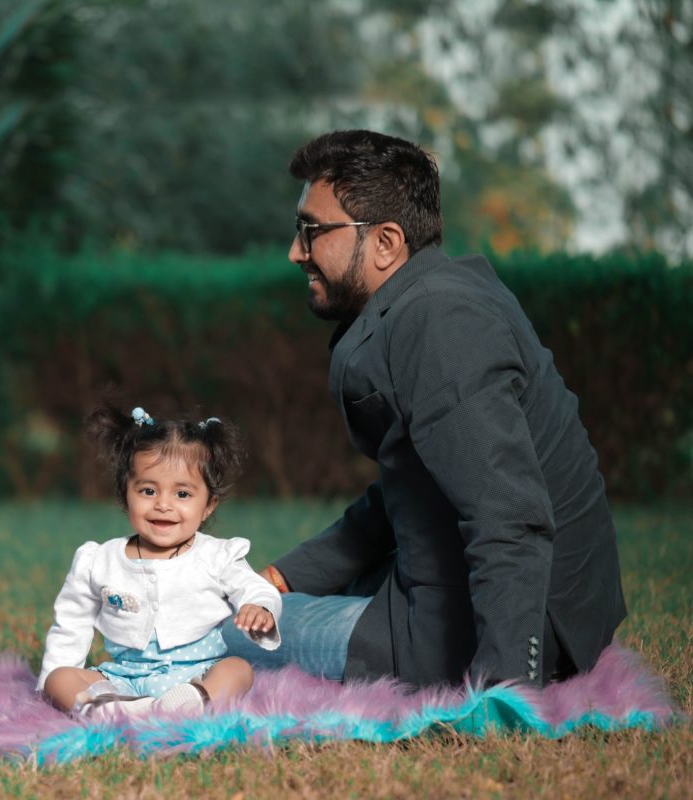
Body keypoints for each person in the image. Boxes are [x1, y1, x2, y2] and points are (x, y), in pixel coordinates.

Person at [222, 129, 626, 689]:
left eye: (312, 231)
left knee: (218, 634)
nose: (296, 251)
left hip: (506, 619)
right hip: (452, 582)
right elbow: (412, 488)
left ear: (386, 242)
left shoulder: (441, 325)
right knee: (253, 607)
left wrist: (507, 689)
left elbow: (509, 516)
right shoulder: (433, 295)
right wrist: (286, 577)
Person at [39, 405, 281, 717]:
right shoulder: (99, 560)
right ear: (125, 495)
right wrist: (53, 680)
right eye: (148, 490)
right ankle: (111, 709)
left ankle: (196, 701)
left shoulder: (216, 556)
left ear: (208, 505)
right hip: (123, 678)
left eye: (182, 494)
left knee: (238, 669)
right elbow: (71, 624)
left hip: (196, 674)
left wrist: (260, 607)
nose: (163, 504)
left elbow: (254, 588)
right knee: (58, 679)